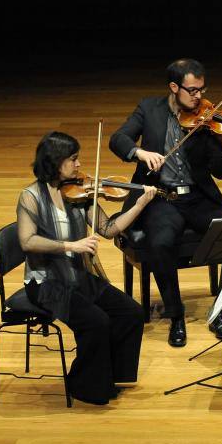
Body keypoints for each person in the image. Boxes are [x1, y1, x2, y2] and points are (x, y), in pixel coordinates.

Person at [109, 58, 222, 347]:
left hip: (198, 198)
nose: (199, 96)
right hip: (161, 197)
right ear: (174, 88)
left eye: (201, 89)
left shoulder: (207, 119)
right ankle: (176, 315)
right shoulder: (148, 110)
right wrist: (139, 153)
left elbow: (219, 171)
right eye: (192, 90)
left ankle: (221, 312)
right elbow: (118, 139)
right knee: (161, 243)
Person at [17, 131, 157, 405]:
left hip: (77, 276)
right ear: (55, 162)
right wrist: (71, 246)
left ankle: (112, 376)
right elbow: (26, 241)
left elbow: (108, 229)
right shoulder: (30, 197)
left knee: (130, 312)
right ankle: (82, 383)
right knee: (96, 321)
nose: (79, 165)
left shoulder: (79, 193)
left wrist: (140, 204)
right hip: (46, 284)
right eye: (73, 159)